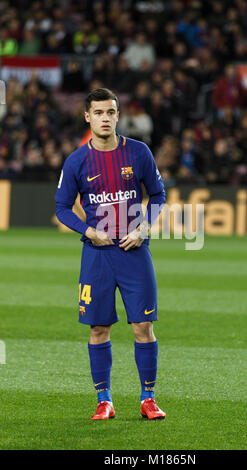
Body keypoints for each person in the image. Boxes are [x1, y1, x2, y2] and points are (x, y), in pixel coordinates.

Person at [55, 88, 166, 421]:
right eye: (99, 113)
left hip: (134, 252)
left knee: (143, 326)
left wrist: (144, 227)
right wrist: (88, 231)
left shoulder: (139, 152)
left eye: (111, 112)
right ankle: (104, 401)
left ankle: (148, 399)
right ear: (88, 117)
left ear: (119, 116)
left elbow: (158, 194)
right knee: (98, 329)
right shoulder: (76, 160)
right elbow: (62, 207)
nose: (105, 118)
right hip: (97, 255)